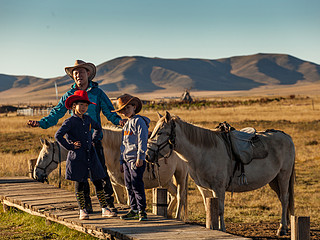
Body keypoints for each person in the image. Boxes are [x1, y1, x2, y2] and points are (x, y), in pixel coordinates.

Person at [27, 60, 124, 213]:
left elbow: (109, 112)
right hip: (77, 144)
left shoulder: (97, 93)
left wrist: (120, 122)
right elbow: (56, 113)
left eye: (81, 72)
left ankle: (108, 205)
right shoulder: (69, 95)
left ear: (88, 74)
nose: (78, 75)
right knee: (80, 176)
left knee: (101, 174)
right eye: (75, 73)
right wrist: (41, 123)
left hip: (93, 142)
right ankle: (85, 208)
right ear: (73, 76)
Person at [55, 90, 116, 220]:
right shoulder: (69, 121)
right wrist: (71, 146)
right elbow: (58, 136)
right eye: (81, 105)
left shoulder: (88, 119)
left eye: (86, 105)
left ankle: (104, 208)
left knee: (98, 181)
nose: (83, 108)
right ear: (73, 106)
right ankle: (82, 210)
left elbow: (98, 127)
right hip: (78, 157)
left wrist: (94, 140)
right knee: (80, 183)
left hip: (91, 155)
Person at [112, 94, 149, 221]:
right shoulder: (126, 124)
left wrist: (140, 156)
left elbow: (142, 140)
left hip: (135, 159)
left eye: (127, 108)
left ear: (134, 107)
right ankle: (133, 209)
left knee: (137, 185)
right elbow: (124, 144)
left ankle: (142, 211)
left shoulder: (139, 122)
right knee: (129, 185)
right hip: (127, 160)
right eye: (123, 110)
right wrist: (122, 161)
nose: (125, 111)